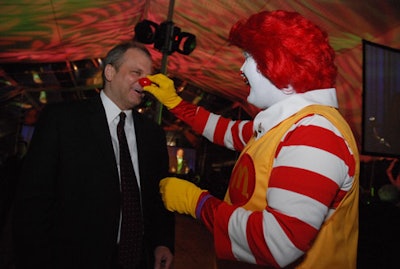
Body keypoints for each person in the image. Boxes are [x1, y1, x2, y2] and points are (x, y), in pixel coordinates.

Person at [143, 10, 360, 269]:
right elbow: (224, 130)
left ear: (281, 64)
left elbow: (277, 243)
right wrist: (175, 102)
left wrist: (196, 203)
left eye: (249, 57)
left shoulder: (315, 132)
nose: (241, 68)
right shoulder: (285, 126)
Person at [13, 41, 175, 269]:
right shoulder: (63, 121)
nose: (146, 82)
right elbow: (33, 202)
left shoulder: (153, 134)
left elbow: (157, 197)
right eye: (136, 73)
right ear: (110, 72)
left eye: (149, 76)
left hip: (137, 259)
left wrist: (162, 242)